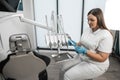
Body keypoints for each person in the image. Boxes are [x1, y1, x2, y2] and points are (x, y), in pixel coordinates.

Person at [61, 8, 113, 80]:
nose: (89, 22)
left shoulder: (105, 35)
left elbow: (102, 58)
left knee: (67, 76)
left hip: (96, 64)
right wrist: (73, 43)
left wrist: (85, 51)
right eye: (88, 20)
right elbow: (81, 43)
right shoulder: (87, 29)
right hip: (83, 58)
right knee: (63, 69)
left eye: (92, 20)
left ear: (99, 20)